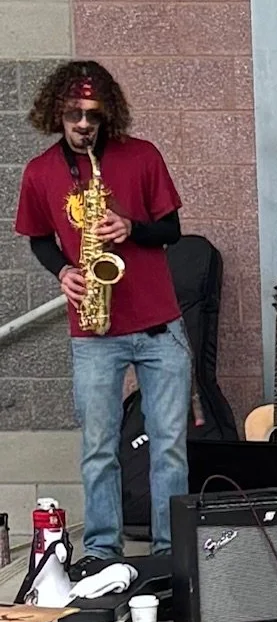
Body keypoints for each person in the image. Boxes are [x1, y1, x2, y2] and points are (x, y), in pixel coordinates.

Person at [13, 61, 190, 566]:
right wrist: (63, 271)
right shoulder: (40, 171)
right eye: (74, 114)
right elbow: (39, 239)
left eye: (93, 114)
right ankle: (101, 552)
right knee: (98, 448)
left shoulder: (142, 155)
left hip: (159, 327)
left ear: (106, 114)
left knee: (169, 447)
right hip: (93, 331)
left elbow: (172, 230)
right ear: (57, 114)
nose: (84, 124)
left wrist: (131, 228)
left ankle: (170, 555)